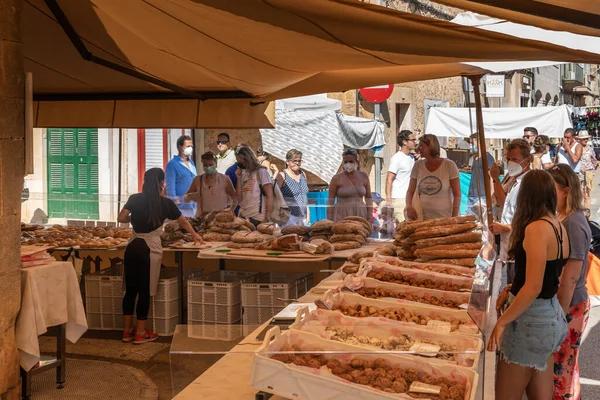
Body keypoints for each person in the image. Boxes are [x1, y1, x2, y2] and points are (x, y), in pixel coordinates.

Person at [488, 169, 569, 400]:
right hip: (550, 315)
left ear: (526, 196)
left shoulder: (535, 228)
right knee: (540, 391)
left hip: (531, 320)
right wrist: (513, 287)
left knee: (505, 395)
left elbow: (533, 287)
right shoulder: (558, 226)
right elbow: (548, 278)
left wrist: (502, 322)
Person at [118, 168, 202, 344]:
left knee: (130, 290)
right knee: (145, 291)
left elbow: (122, 217)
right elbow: (183, 221)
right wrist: (195, 235)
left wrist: (134, 219)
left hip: (133, 246)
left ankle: (127, 331)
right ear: (162, 183)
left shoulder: (135, 198)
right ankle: (141, 332)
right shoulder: (165, 203)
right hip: (150, 248)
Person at [548, 164, 592, 399]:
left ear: (565, 191)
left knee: (561, 369)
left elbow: (571, 276)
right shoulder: (566, 218)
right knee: (566, 366)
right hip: (570, 304)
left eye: (551, 189)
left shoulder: (573, 223)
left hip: (570, 305)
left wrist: (558, 313)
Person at [490, 139, 532, 287]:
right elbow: (504, 204)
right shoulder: (514, 180)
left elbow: (529, 223)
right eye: (508, 159)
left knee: (513, 286)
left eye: (515, 159)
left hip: (519, 247)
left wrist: (505, 227)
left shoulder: (529, 184)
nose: (511, 163)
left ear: (528, 160)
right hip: (507, 247)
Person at [405, 134, 461, 220]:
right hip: (422, 217)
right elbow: (410, 191)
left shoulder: (449, 165)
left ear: (431, 147)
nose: (419, 148)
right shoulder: (418, 165)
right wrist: (409, 207)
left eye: (422, 146)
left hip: (444, 217)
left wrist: (454, 217)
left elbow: (457, 194)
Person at [184, 151, 237, 217]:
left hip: (219, 219)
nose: (208, 167)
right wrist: (191, 196)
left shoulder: (225, 179)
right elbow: (186, 199)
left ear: (216, 164)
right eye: (205, 165)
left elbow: (235, 197)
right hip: (202, 218)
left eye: (210, 165)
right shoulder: (197, 180)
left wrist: (231, 209)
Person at [327, 148, 373, 223]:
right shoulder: (336, 178)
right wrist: (329, 221)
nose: (348, 164)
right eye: (346, 162)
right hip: (341, 214)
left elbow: (369, 198)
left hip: (360, 213)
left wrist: (370, 218)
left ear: (356, 162)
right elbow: (330, 201)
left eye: (351, 161)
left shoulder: (364, 176)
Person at [235, 146, 273, 226]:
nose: (240, 165)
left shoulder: (261, 172)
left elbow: (270, 196)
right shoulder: (243, 173)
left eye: (241, 162)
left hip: (258, 218)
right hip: (244, 216)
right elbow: (238, 199)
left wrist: (267, 218)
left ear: (247, 159)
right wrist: (238, 179)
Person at [385, 130, 416, 223]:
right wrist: (388, 199)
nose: (415, 142)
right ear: (405, 142)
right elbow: (389, 179)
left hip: (409, 198)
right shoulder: (396, 158)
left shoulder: (411, 157)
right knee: (402, 226)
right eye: (413, 140)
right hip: (399, 198)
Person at [165, 135, 197, 217]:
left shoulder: (192, 163)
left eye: (191, 146)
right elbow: (170, 187)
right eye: (188, 146)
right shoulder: (172, 164)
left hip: (193, 206)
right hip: (181, 208)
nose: (190, 148)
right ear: (180, 147)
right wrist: (174, 207)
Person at [276, 149, 309, 227]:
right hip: (288, 217)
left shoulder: (303, 174)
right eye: (295, 161)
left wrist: (308, 214)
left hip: (303, 217)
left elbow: (305, 196)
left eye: (299, 161)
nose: (297, 163)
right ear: (287, 162)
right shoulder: (282, 175)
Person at [467, 133, 495, 217]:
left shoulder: (487, 157)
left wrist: (491, 193)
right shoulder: (475, 158)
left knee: (483, 219)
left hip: (482, 194)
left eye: (472, 143)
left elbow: (491, 176)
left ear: (478, 142)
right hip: (472, 194)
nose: (471, 145)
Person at [577, 130, 597, 210]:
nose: (585, 140)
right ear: (579, 139)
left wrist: (592, 171)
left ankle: (587, 213)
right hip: (578, 174)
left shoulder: (590, 149)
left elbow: (594, 161)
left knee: (586, 195)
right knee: (578, 195)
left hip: (587, 174)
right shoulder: (576, 148)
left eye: (586, 138)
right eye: (583, 139)